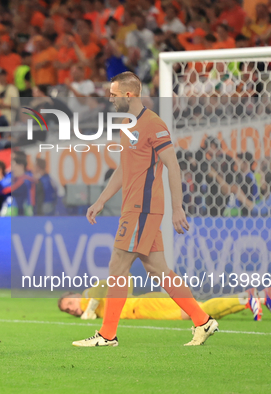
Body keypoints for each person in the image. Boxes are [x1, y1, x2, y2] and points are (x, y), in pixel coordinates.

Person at [73, 72, 218, 348]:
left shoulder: (153, 124)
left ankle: (107, 335)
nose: (110, 98)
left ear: (129, 95)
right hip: (134, 206)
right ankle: (203, 321)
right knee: (157, 269)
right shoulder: (127, 126)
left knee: (118, 264)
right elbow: (123, 168)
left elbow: (172, 165)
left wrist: (178, 208)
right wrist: (101, 200)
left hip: (143, 207)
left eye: (114, 94)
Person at [59, 280, 271, 321]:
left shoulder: (89, 296)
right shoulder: (90, 306)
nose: (72, 310)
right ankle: (258, 297)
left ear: (75, 296)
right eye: (68, 311)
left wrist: (93, 305)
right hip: (146, 307)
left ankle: (249, 298)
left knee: (196, 312)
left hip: (146, 306)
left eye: (69, 304)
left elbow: (119, 279)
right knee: (202, 315)